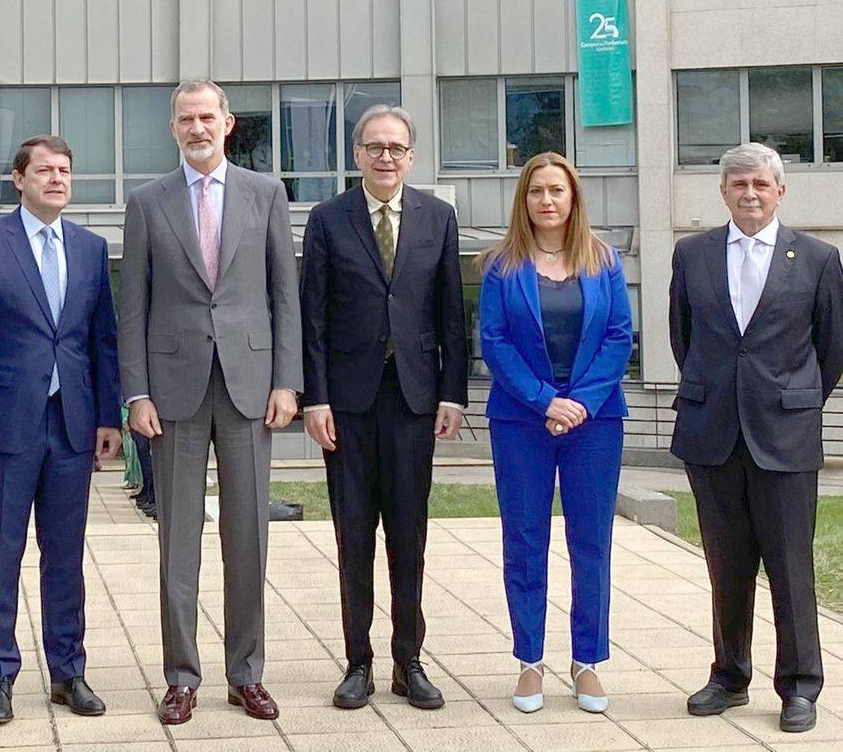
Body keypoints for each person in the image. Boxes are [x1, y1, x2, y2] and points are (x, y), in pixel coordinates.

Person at [119, 79, 302, 725]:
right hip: (173, 390)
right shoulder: (146, 203)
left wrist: (287, 381)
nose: (197, 127)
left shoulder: (265, 194)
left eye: (207, 116)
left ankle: (245, 673)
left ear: (228, 123)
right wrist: (135, 392)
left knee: (248, 532)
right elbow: (133, 306)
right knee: (178, 538)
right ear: (173, 128)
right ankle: (181, 676)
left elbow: (285, 294)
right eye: (185, 118)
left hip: (252, 385)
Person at [671, 142, 843, 734]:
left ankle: (799, 686)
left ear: (780, 191)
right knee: (726, 563)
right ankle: (729, 675)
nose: (749, 193)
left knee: (791, 567)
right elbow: (683, 336)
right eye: (738, 184)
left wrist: (792, 402)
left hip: (785, 433)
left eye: (760, 185)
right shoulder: (691, 254)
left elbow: (832, 349)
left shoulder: (819, 258)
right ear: (723, 192)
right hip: (712, 430)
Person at [0, 135, 122, 725]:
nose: (57, 179)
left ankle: (68, 671)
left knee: (66, 554)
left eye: (65, 170)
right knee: (1, 552)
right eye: (44, 170)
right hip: (2, 425)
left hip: (72, 423)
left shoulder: (92, 248)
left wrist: (107, 417)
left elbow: (102, 340)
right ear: (17, 179)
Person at [299, 105, 467, 711]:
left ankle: (409, 662)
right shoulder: (327, 219)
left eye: (396, 147)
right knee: (353, 537)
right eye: (375, 147)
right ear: (357, 155)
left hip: (415, 401)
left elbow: (453, 313)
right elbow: (310, 317)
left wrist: (452, 393)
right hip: (346, 404)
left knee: (408, 534)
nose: (386, 156)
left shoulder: (439, 218)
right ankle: (358, 663)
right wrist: (313, 398)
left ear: (411, 154)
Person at [477, 151, 633, 715]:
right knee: (525, 541)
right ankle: (529, 661)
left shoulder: (604, 260)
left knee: (590, 542)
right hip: (522, 422)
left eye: (557, 191)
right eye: (536, 191)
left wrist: (579, 405)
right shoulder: (501, 265)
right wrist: (547, 401)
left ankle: (587, 661)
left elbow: (619, 337)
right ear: (525, 200)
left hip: (595, 423)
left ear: (573, 199)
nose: (547, 200)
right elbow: (493, 342)